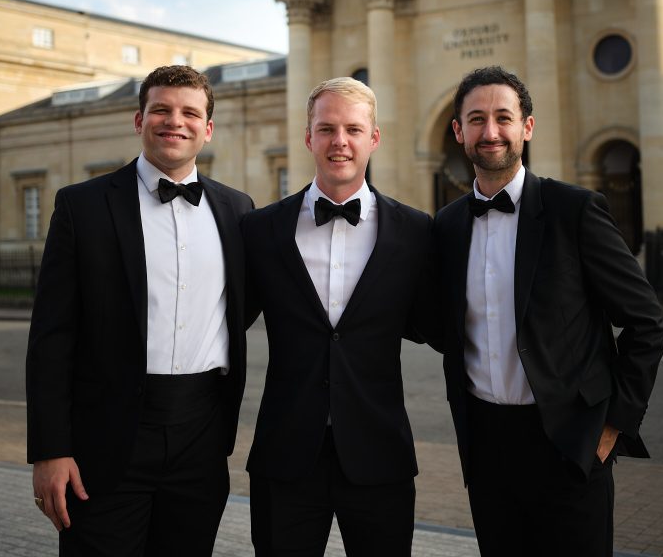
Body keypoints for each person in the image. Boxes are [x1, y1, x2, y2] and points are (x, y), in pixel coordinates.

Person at [434, 66, 663, 557]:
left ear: (527, 127)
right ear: (458, 132)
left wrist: (612, 425)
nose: (490, 132)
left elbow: (645, 319)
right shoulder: (447, 227)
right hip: (487, 445)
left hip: (569, 442)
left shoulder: (574, 210)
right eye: (476, 120)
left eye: (503, 117)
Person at [26, 65, 254, 556]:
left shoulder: (238, 210)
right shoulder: (81, 206)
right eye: (162, 110)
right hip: (105, 441)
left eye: (190, 113)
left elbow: (242, 309)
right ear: (139, 119)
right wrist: (49, 450)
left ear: (207, 128)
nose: (176, 121)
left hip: (201, 438)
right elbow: (51, 338)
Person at [242, 77, 436, 556]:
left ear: (374, 137)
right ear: (308, 137)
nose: (339, 142)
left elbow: (441, 323)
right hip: (285, 457)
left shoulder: (415, 232)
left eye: (353, 128)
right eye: (326, 129)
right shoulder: (261, 229)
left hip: (379, 457)